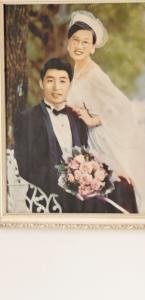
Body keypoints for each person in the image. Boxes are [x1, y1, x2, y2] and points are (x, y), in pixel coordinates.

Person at [65, 10, 145, 213]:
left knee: (108, 190)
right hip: (80, 139)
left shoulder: (95, 74)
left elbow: (122, 105)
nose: (79, 46)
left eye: (85, 42)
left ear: (93, 47)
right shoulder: (75, 72)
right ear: (68, 42)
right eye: (75, 40)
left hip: (99, 141)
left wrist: (94, 120)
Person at [13, 58, 88, 212]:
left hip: (80, 201)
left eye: (62, 81)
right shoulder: (27, 118)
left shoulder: (79, 119)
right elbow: (24, 166)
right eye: (50, 80)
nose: (56, 87)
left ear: (70, 84)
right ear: (41, 83)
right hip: (44, 200)